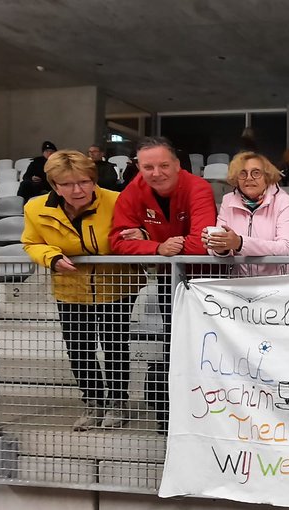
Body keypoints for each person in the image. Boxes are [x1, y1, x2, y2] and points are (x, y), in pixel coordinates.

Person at [20, 150, 141, 431]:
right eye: (68, 184)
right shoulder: (35, 208)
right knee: (79, 348)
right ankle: (93, 402)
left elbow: (138, 232)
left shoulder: (118, 200)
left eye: (85, 182)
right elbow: (31, 243)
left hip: (117, 284)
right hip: (70, 287)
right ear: (54, 186)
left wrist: (139, 236)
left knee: (114, 346)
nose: (78, 190)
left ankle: (117, 402)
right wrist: (50, 256)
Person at [109, 136, 217, 433]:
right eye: (148, 167)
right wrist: (157, 248)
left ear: (178, 165)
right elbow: (116, 242)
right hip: (168, 280)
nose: (156, 172)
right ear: (138, 168)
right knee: (173, 347)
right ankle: (169, 420)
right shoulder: (133, 191)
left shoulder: (198, 187)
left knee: (207, 350)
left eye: (163, 165)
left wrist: (152, 242)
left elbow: (201, 243)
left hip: (207, 281)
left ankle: (211, 415)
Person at [204, 151, 289, 276]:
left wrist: (240, 243)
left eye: (256, 173)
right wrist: (220, 247)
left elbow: (287, 247)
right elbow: (220, 251)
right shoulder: (228, 200)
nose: (249, 178)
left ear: (267, 176)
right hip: (241, 284)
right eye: (243, 173)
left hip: (279, 284)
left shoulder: (284, 201)